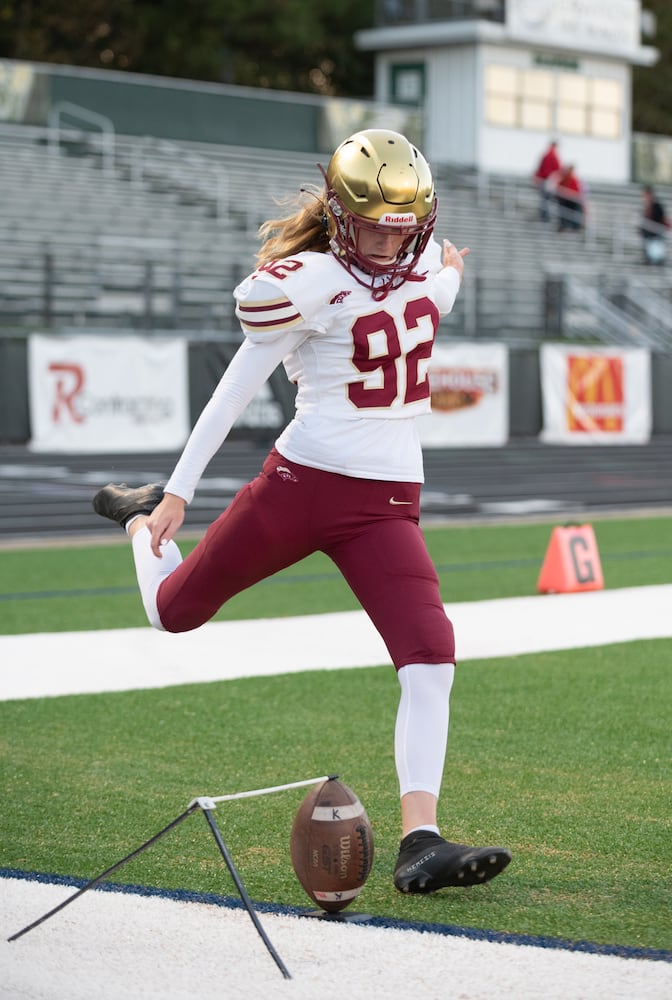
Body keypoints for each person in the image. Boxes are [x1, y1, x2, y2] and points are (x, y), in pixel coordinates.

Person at [92, 128, 511, 895]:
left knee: (431, 656)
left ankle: (421, 840)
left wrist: (450, 272)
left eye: (404, 223)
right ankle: (136, 518)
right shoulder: (308, 280)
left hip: (387, 503)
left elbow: (435, 285)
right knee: (173, 613)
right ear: (341, 212)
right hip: (302, 484)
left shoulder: (422, 258)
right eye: (377, 222)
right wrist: (180, 490)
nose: (392, 237)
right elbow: (235, 388)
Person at [533, 139, 561, 222]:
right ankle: (545, 217)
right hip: (547, 180)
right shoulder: (551, 155)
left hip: (545, 180)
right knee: (546, 199)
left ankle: (544, 216)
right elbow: (555, 169)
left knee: (545, 199)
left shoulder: (547, 154)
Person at [640, 185, 668, 265]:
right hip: (648, 236)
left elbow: (661, 220)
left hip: (656, 236)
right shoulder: (646, 206)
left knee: (657, 256)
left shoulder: (657, 206)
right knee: (650, 256)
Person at [555, 164, 585, 232]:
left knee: (578, 209)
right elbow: (558, 189)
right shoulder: (564, 179)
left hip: (572, 201)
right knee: (565, 210)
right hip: (566, 201)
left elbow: (578, 192)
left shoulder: (574, 179)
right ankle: (566, 226)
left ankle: (576, 226)